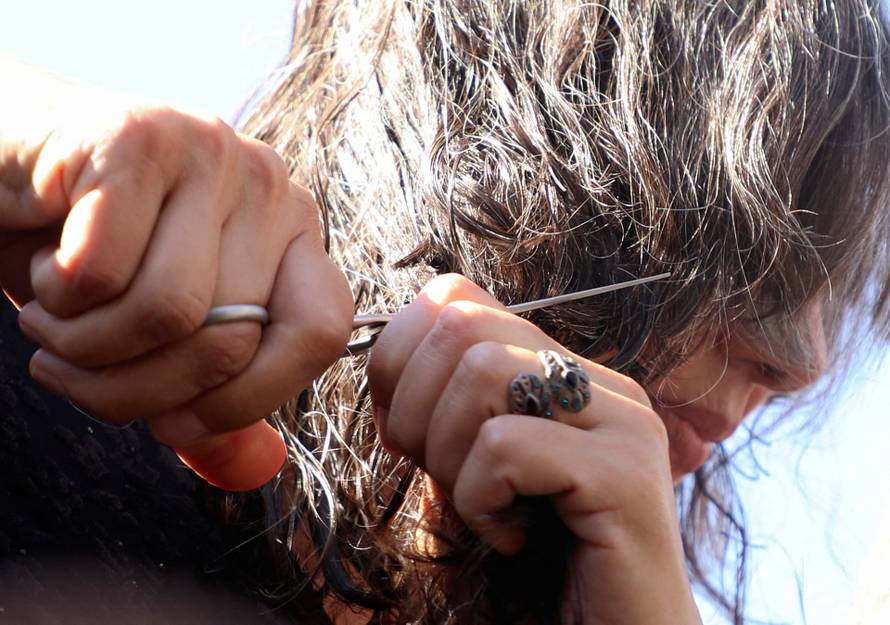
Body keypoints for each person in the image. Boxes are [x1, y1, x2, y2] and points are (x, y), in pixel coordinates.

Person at [2, 1, 889, 623]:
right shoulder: (55, 371)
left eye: (829, 285)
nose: (803, 359)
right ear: (501, 141)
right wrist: (21, 133)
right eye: (757, 233)